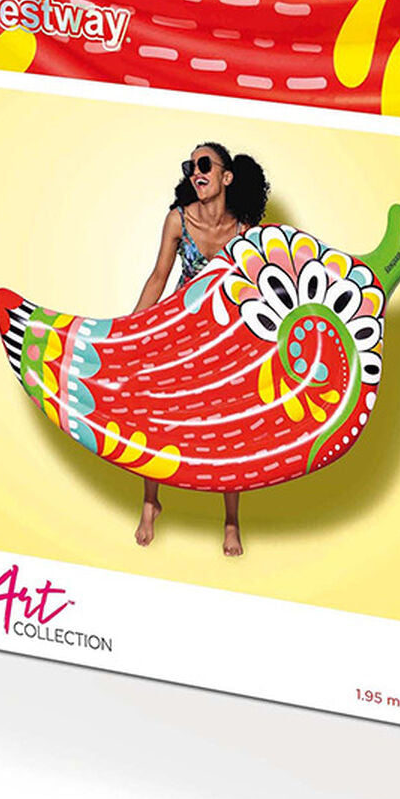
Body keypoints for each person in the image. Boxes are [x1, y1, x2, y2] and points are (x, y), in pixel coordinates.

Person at [131, 142, 270, 557]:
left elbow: (258, 287)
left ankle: (231, 520)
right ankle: (150, 502)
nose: (196, 171)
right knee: (156, 411)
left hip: (225, 335)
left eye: (204, 164)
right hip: (178, 327)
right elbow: (159, 277)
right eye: (191, 166)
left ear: (227, 176)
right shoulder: (178, 219)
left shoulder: (246, 231)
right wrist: (131, 329)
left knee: (230, 426)